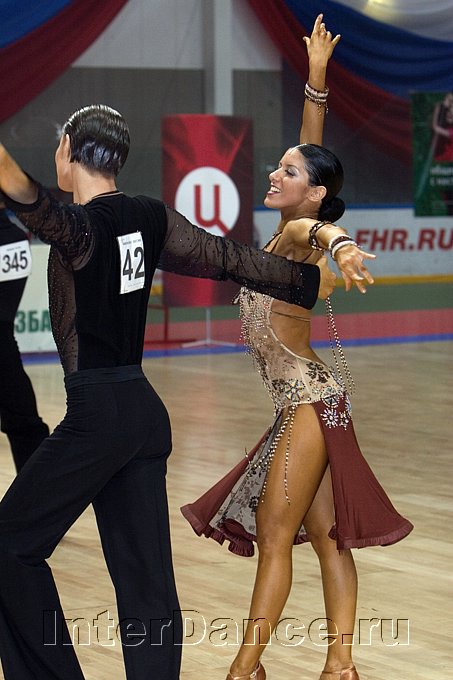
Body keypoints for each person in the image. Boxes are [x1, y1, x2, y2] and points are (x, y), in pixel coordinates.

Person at [0, 100, 337, 680]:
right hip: (141, 417)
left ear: (69, 152)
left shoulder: (80, 227)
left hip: (98, 417)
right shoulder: (149, 216)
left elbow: (20, 190)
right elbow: (227, 259)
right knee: (146, 582)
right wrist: (305, 280)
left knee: (8, 546)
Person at [181, 15, 414, 680]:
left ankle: (243, 670)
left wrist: (342, 243)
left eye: (286, 171)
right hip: (311, 402)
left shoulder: (296, 235)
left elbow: (316, 223)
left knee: (275, 533)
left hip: (310, 403)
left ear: (311, 194)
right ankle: (340, 664)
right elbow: (312, 171)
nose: (274, 172)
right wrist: (315, 80)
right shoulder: (286, 226)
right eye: (278, 166)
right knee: (328, 538)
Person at [0, 200, 49, 471]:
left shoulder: (14, 239)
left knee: (25, 424)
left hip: (4, 346)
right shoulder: (17, 238)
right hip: (6, 349)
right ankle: (38, 491)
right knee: (26, 424)